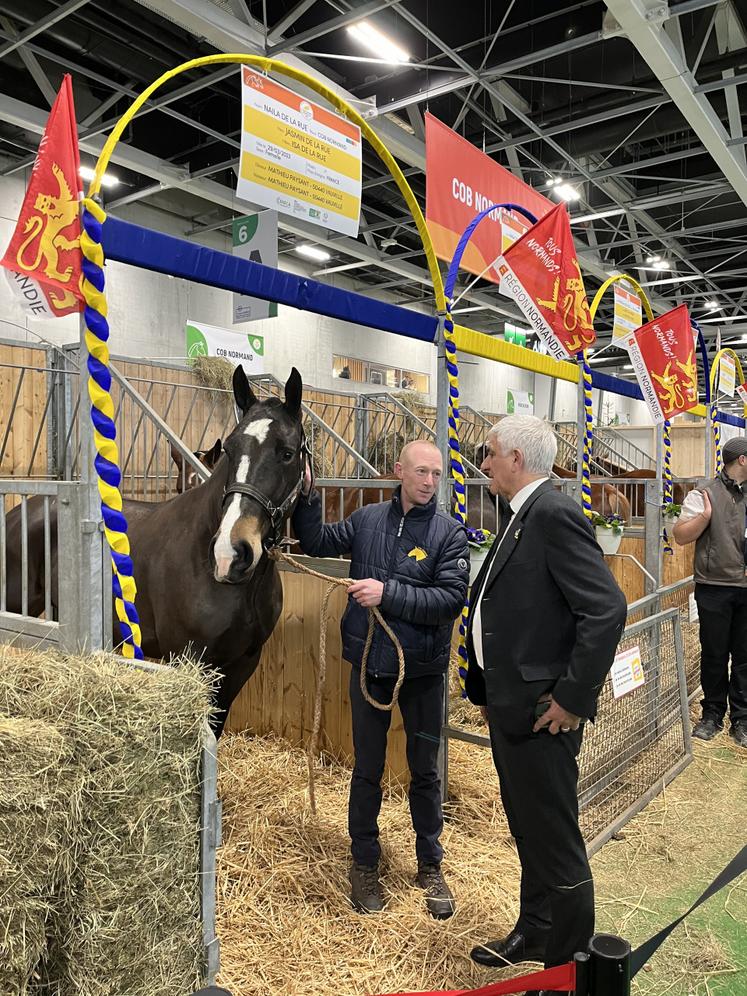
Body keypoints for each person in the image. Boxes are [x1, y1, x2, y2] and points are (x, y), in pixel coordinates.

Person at [465, 415, 627, 990]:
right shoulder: (522, 515)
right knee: (529, 827)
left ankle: (567, 970)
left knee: (556, 842)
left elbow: (606, 609)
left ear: (515, 457)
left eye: (489, 454)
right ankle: (534, 931)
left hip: (544, 714)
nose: (482, 464)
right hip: (514, 708)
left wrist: (572, 698)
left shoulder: (553, 513)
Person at [291, 440, 469, 918]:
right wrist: (308, 497)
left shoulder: (449, 534)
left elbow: (450, 599)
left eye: (436, 474)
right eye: (422, 472)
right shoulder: (367, 520)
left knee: (425, 769)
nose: (430, 482)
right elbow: (317, 543)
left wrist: (386, 593)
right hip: (371, 666)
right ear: (398, 471)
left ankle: (430, 864)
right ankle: (364, 862)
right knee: (367, 768)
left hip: (424, 674)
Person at [673, 437, 747, 748]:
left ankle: (741, 719)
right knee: (715, 654)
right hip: (714, 586)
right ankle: (712, 714)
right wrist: (704, 516)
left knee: (744, 657)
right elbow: (679, 536)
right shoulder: (703, 494)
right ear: (742, 460)